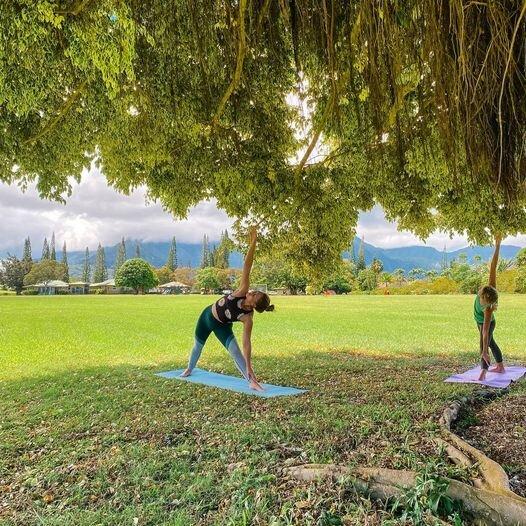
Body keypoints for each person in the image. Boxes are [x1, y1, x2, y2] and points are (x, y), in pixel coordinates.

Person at [181, 227, 274, 391]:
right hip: (206, 316)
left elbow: (246, 344)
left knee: (236, 353)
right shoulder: (243, 290)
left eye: (254, 295)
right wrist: (253, 241)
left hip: (222, 327)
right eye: (254, 292)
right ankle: (189, 369)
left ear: (253, 304)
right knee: (197, 346)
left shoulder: (247, 318)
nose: (251, 292)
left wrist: (250, 367)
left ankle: (251, 381)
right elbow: (247, 265)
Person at [475, 235, 505, 381]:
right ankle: (500, 366)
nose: (480, 294)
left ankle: (483, 372)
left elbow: (485, 331)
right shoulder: (490, 288)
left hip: (486, 323)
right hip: (481, 322)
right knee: (491, 342)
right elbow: (493, 266)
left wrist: (484, 351)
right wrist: (498, 244)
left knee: (484, 343)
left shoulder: (487, 309)